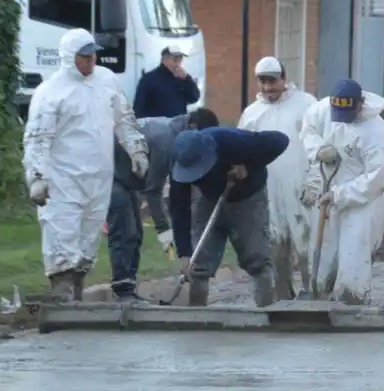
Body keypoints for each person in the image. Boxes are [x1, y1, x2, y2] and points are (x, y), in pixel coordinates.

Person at [23, 28, 147, 301]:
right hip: (63, 180)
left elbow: (124, 118)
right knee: (61, 237)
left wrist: (136, 149)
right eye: (85, 57)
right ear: (70, 58)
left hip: (98, 179)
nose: (91, 61)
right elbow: (37, 138)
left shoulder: (106, 81)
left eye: (93, 56)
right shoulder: (50, 93)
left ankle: (75, 302)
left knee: (87, 242)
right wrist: (37, 176)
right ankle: (62, 297)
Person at [299, 79, 384, 304]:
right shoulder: (323, 109)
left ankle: (351, 303)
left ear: (359, 105)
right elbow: (308, 130)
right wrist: (318, 150)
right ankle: (319, 295)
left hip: (365, 203)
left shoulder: (376, 133)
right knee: (323, 252)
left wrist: (340, 194)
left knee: (353, 259)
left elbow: (379, 178)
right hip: (329, 195)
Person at [169, 125, 291, 307]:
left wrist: (248, 166)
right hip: (208, 200)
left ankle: (266, 312)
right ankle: (196, 316)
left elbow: (280, 140)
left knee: (257, 259)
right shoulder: (178, 160)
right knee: (198, 264)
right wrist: (184, 252)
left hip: (248, 199)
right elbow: (179, 206)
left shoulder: (232, 141)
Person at [239, 57, 317, 300]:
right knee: (275, 243)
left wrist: (314, 181)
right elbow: (243, 148)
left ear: (284, 79)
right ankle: (283, 294)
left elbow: (319, 144)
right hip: (268, 188)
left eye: (272, 81)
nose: (267, 88)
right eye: (262, 82)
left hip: (300, 185)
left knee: (306, 241)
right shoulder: (252, 113)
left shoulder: (306, 105)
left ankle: (312, 290)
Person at [107, 113, 189, 302]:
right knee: (124, 231)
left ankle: (129, 286)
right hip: (111, 174)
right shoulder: (166, 142)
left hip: (127, 177)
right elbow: (153, 192)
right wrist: (165, 235)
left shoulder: (171, 127)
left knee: (136, 233)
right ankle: (122, 291)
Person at [143, 106, 219, 236]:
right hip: (118, 159)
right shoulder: (166, 145)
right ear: (193, 127)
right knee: (129, 231)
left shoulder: (179, 129)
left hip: (137, 155)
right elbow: (153, 190)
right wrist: (164, 230)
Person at [134, 45, 200, 119]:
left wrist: (187, 79)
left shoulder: (182, 79)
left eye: (180, 59)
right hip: (157, 127)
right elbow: (138, 107)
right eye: (175, 60)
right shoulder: (149, 79)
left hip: (178, 126)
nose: (178, 64)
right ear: (165, 59)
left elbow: (194, 97)